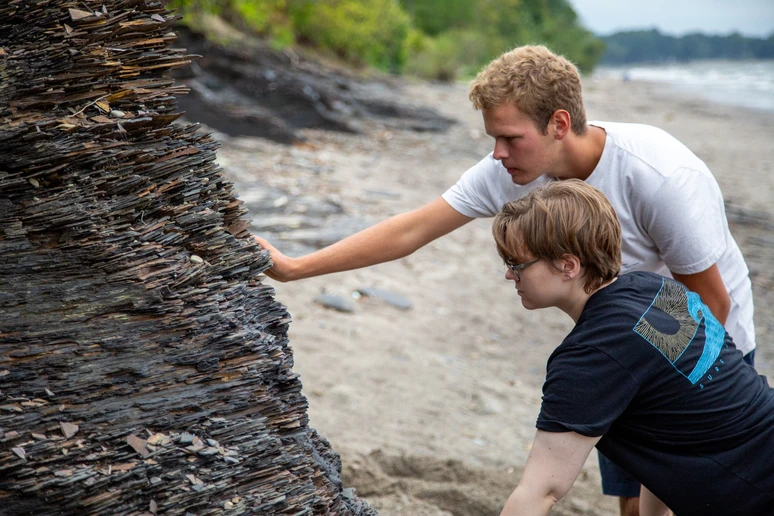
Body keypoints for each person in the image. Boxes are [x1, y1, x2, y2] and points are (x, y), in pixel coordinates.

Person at [254, 45, 757, 514]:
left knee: (683, 486)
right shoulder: (514, 167)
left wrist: (650, 387)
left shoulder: (658, 176)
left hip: (701, 341)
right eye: (494, 137)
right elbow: (410, 230)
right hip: (619, 332)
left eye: (510, 137)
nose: (498, 152)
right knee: (633, 501)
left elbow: (710, 300)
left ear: (559, 123)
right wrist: (296, 268)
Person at [492, 179, 774, 516]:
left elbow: (540, 490)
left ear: (568, 265)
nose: (509, 275)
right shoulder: (657, 289)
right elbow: (671, 435)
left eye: (515, 263)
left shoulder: (592, 357)